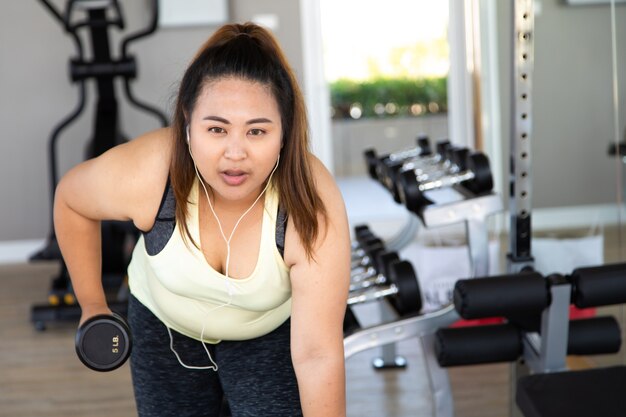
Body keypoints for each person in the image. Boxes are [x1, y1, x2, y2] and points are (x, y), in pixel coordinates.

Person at [53, 22, 350, 417]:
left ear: (284, 133)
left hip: (266, 333)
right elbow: (72, 200)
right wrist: (92, 304)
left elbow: (316, 355)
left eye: (257, 132)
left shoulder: (308, 204)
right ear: (188, 126)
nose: (235, 153)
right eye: (216, 129)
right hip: (163, 328)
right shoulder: (151, 173)